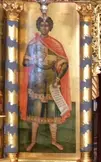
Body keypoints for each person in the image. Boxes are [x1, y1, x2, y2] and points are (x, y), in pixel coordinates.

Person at [20, 16, 71, 152]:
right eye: (42, 25)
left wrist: (58, 78)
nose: (44, 27)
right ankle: (33, 142)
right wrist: (33, 59)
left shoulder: (55, 44)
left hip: (51, 81)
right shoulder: (33, 44)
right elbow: (25, 62)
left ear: (50, 27)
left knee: (53, 114)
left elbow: (65, 63)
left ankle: (54, 141)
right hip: (36, 81)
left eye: (47, 25)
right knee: (35, 114)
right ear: (38, 26)